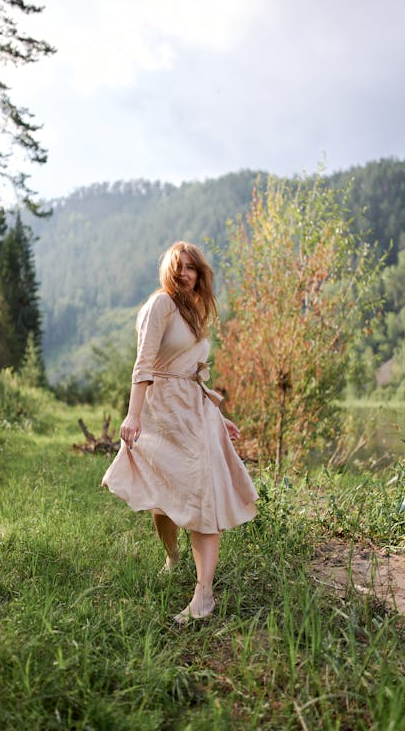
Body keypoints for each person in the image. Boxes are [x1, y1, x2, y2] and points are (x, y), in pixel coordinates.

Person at [102, 241, 257, 623]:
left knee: (203, 496)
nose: (185, 273)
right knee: (163, 495)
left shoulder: (195, 311)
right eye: (179, 266)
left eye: (192, 268)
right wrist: (133, 415)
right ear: (167, 271)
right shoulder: (161, 305)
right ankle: (172, 556)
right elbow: (144, 364)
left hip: (195, 412)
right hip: (162, 410)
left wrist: (219, 417)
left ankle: (204, 595)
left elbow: (194, 370)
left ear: (200, 274)